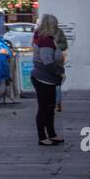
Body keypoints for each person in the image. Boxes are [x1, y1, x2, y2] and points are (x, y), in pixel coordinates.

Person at [31, 15, 66, 145]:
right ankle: (42, 137)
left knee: (50, 108)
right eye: (55, 25)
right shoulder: (45, 41)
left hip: (45, 78)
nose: (57, 27)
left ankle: (51, 134)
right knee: (44, 108)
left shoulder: (41, 38)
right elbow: (47, 62)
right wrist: (58, 73)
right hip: (44, 78)